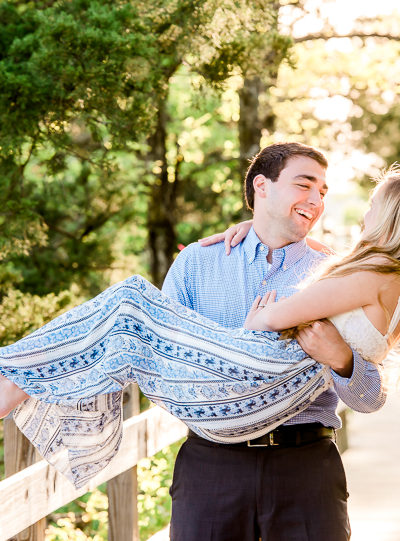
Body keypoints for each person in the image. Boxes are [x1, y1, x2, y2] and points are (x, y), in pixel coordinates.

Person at [0, 145, 395, 534]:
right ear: (262, 186)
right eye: (304, 185)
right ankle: (17, 378)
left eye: (323, 191)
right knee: (128, 308)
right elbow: (162, 367)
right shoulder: (198, 262)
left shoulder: (333, 270)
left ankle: (14, 376)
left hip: (305, 467)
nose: (316, 200)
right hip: (211, 468)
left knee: (128, 303)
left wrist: (342, 360)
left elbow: (370, 397)